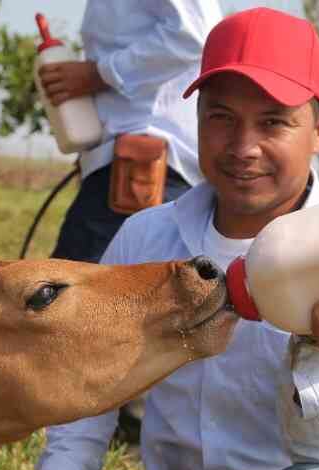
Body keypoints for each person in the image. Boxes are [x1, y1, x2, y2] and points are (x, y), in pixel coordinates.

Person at [17, 7, 319, 470]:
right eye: (221, 117)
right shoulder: (146, 237)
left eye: (273, 122)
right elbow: (89, 375)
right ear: (194, 119)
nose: (243, 148)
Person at [38, 0, 223, 443]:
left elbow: (193, 34)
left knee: (60, 295)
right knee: (141, 293)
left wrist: (95, 74)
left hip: (144, 155)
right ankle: (126, 424)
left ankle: (67, 423)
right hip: (129, 153)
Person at [38, 0, 222, 263]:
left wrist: (97, 74)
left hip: (143, 167)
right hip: (127, 164)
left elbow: (193, 34)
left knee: (70, 296)